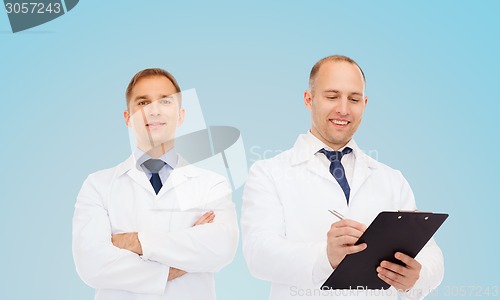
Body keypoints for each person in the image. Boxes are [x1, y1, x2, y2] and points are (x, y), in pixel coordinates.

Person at [241, 55, 444, 299]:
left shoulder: (391, 179)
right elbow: (258, 255)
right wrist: (326, 256)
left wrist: (417, 277)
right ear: (309, 99)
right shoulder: (268, 173)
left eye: (354, 99)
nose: (344, 109)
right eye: (332, 96)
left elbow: (430, 252)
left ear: (365, 103)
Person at [72, 68, 238, 300]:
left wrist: (135, 241)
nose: (154, 110)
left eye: (165, 101)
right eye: (142, 102)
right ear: (127, 118)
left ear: (181, 115)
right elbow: (91, 264)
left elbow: (221, 248)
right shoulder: (98, 185)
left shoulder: (211, 184)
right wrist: (183, 261)